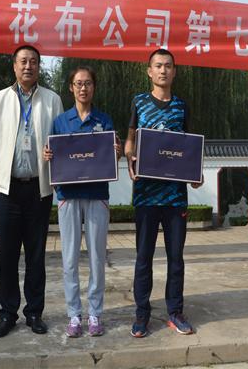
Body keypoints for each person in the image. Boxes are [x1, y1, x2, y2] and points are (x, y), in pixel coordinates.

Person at [0, 45, 63, 338]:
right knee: (7, 256)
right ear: (14, 66)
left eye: (33, 62)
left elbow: (61, 140)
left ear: (39, 67)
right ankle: (7, 314)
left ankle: (34, 313)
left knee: (36, 256)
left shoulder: (52, 100)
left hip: (39, 190)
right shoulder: (0, 99)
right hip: (8, 191)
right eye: (23, 61)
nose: (28, 66)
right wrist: (6, 164)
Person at [124, 48, 203, 338]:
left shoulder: (182, 106)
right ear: (149, 71)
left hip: (175, 198)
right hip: (146, 195)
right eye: (158, 66)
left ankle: (175, 312)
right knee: (143, 257)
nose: (163, 70)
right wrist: (130, 158)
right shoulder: (139, 102)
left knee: (176, 259)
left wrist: (196, 173)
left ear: (174, 71)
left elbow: (190, 147)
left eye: (168, 66)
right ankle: (141, 314)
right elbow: (130, 141)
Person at [43, 66, 120, 338]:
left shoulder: (104, 120)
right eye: (78, 83)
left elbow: (110, 157)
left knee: (98, 258)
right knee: (70, 259)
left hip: (97, 195)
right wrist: (48, 155)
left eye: (87, 83)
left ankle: (95, 313)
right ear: (71, 88)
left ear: (94, 87)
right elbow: (53, 155)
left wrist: (116, 153)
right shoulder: (60, 122)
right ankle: (74, 314)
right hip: (68, 195)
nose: (83, 88)